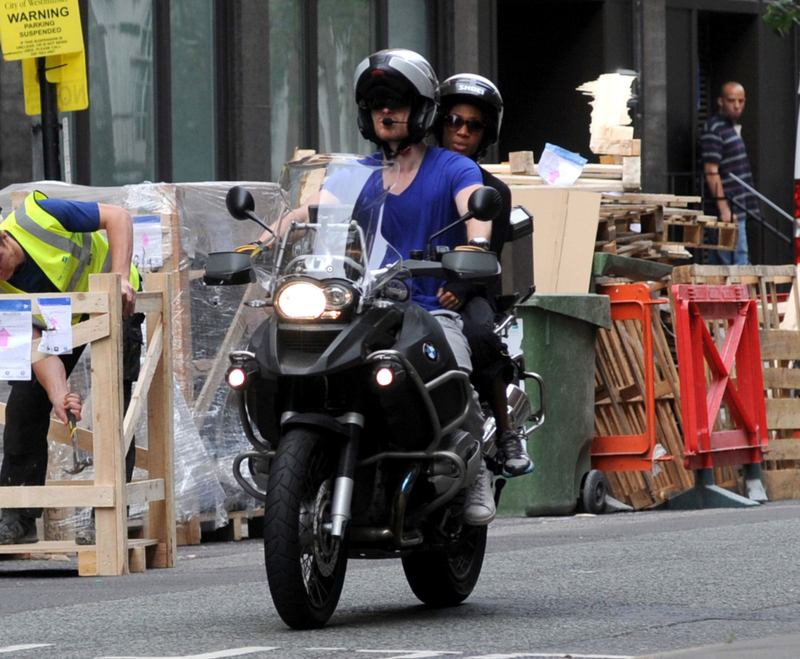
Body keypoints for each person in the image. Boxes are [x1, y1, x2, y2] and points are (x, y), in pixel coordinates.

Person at [351, 49, 495, 524]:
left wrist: (475, 245)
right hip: (367, 309)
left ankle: (474, 468)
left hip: (430, 309)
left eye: (396, 102)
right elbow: (310, 210)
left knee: (454, 365)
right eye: (377, 105)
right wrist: (266, 239)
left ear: (420, 110)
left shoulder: (453, 168)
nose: (385, 112)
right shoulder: (359, 173)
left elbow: (474, 206)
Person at [0, 191, 144, 545]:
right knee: (23, 407)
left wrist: (119, 278)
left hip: (113, 304)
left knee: (113, 406)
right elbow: (36, 350)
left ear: (3, 239)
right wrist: (60, 394)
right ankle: (18, 519)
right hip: (57, 322)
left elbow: (118, 217)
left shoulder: (38, 215)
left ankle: (107, 521)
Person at [433, 73, 534, 478]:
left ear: (485, 133)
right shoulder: (417, 176)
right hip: (412, 283)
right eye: (454, 120)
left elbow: (487, 250)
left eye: (472, 125)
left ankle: (506, 432)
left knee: (478, 333)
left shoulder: (493, 189)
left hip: (470, 286)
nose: (461, 131)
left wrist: (460, 285)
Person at [700, 81, 761, 265]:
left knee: (720, 265)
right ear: (720, 101)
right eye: (731, 100)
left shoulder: (728, 128)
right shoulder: (714, 129)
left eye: (741, 101)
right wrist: (724, 209)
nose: (737, 106)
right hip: (727, 211)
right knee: (738, 264)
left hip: (737, 207)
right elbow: (711, 170)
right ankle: (743, 295)